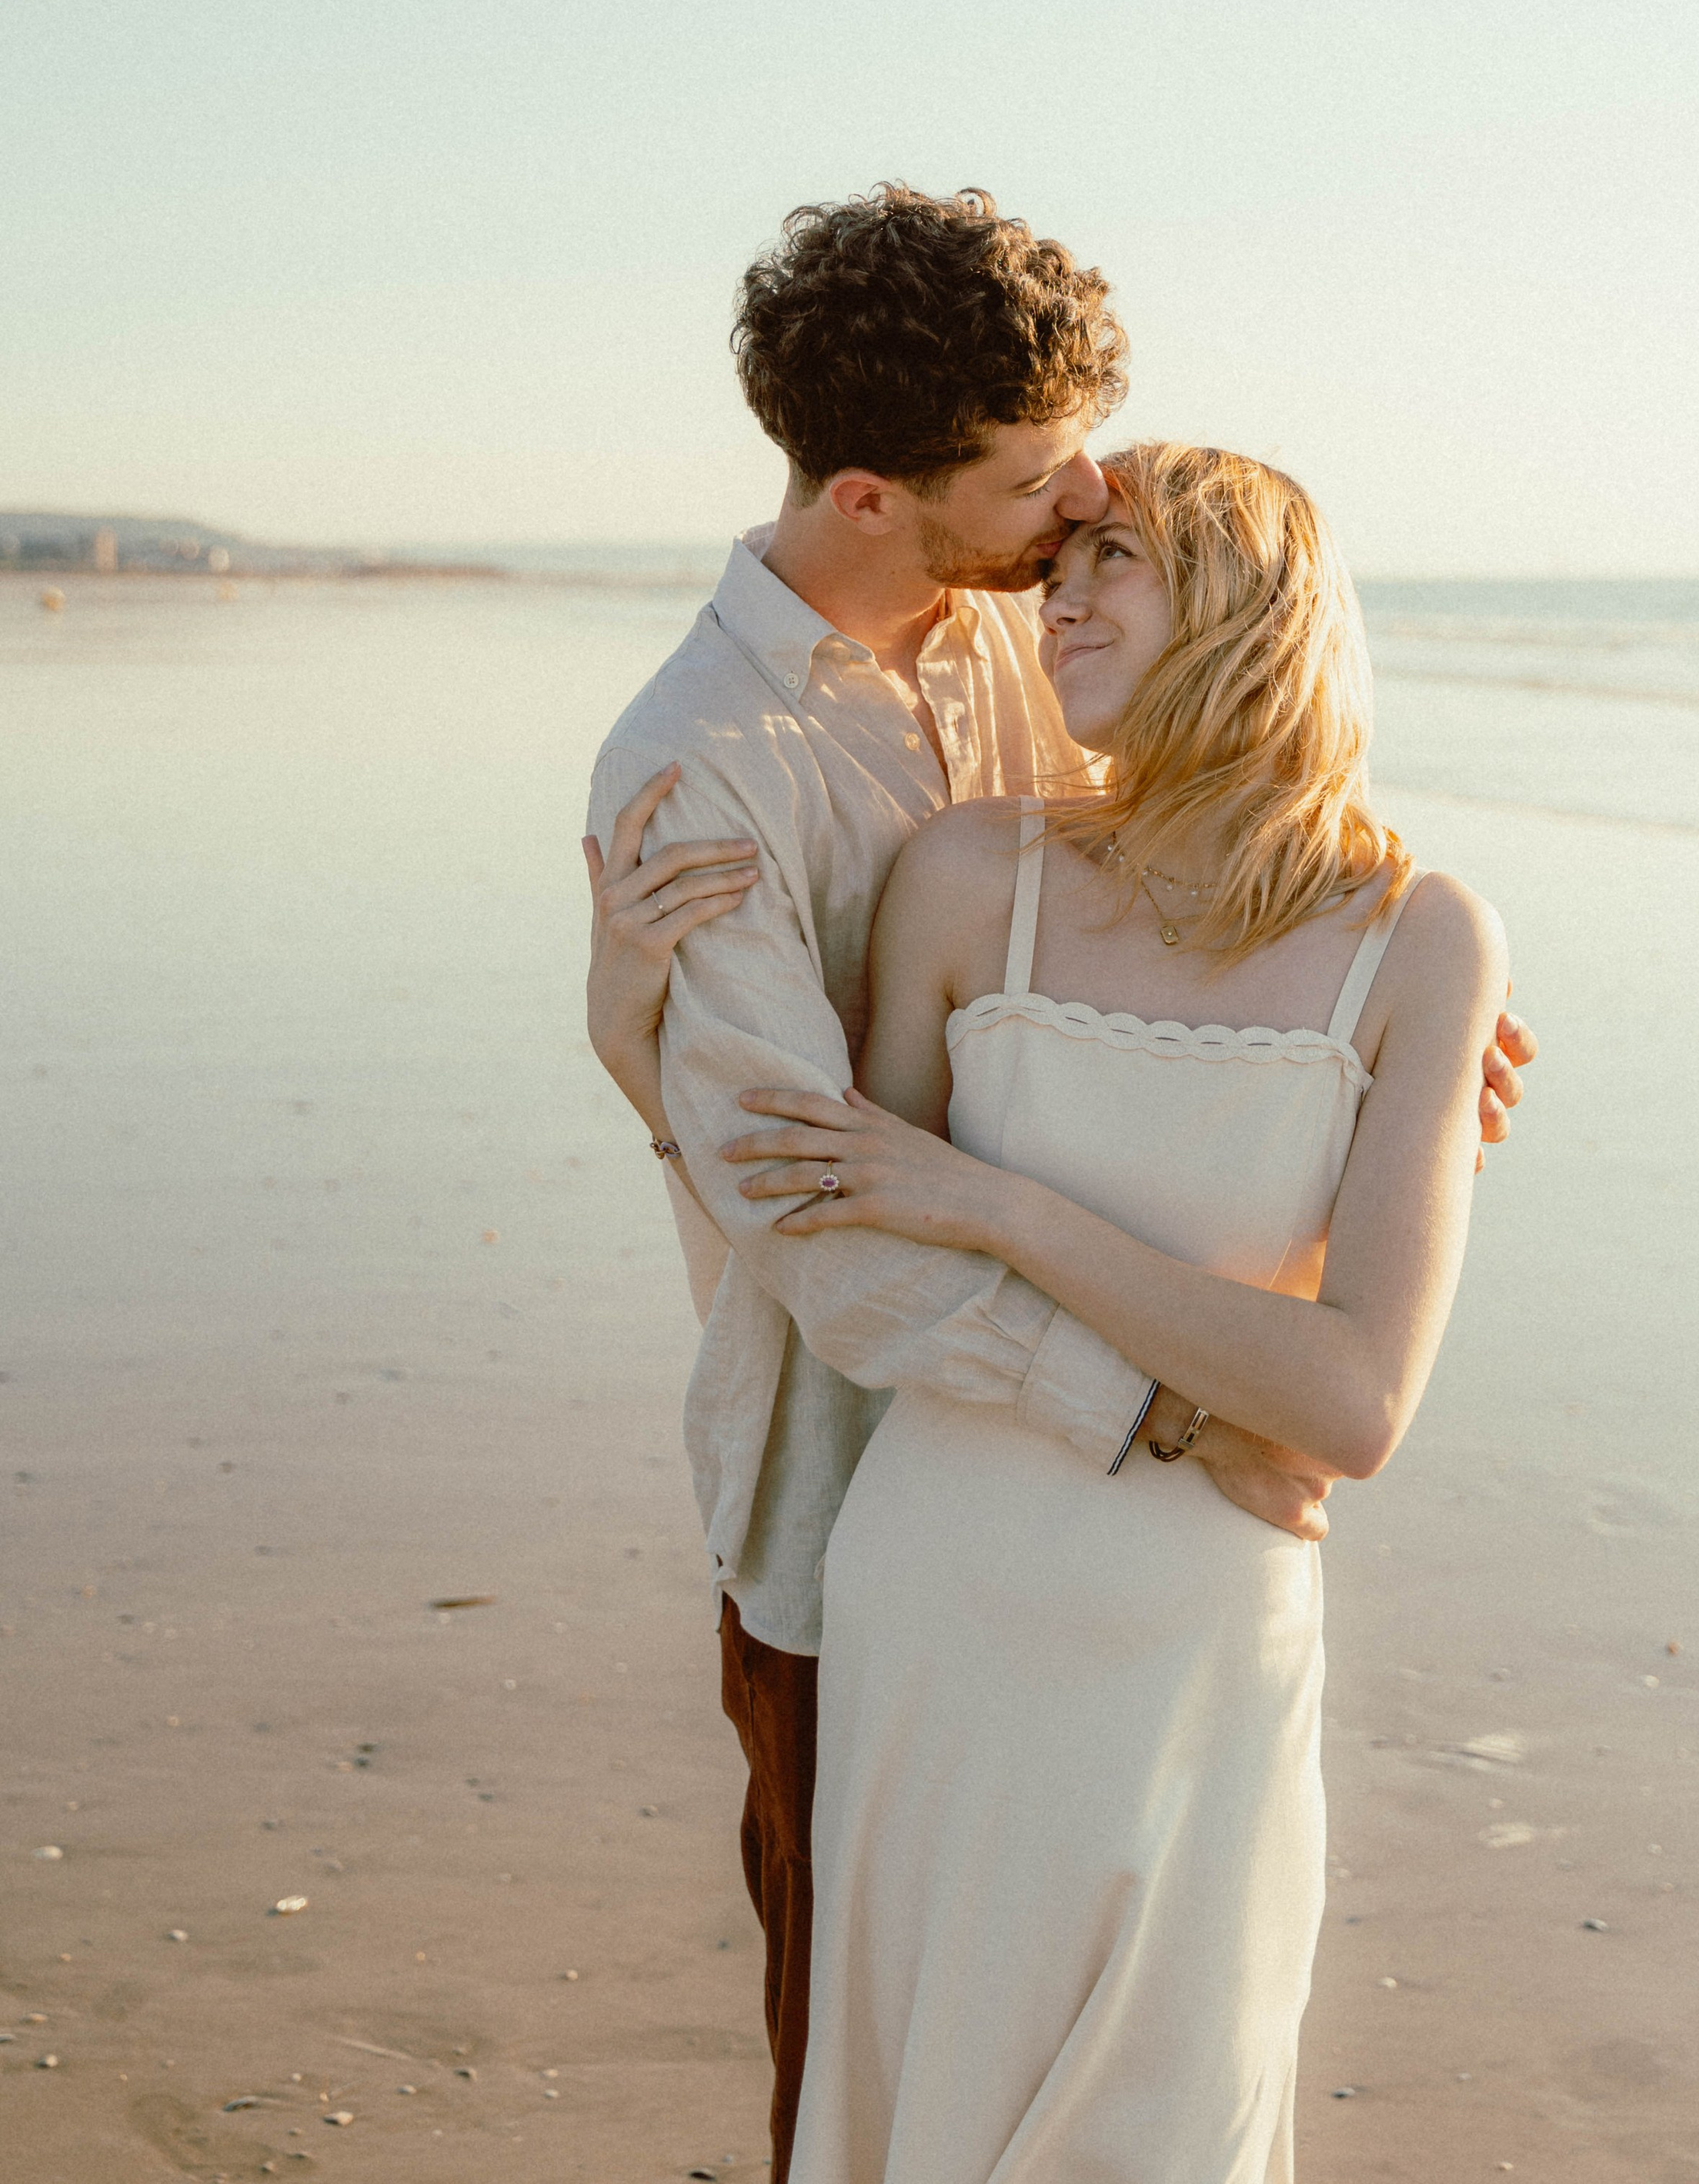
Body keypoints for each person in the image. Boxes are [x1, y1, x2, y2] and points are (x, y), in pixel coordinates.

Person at [583, 185, 1535, 2179]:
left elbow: (1210, 822)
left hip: (1174, 1584)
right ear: (869, 494)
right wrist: (1179, 1411)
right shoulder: (706, 769)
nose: (1079, 517)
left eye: (1109, 516)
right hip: (860, 1502)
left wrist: (1384, 1045)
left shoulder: (1018, 648)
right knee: (873, 2078)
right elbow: (828, 1227)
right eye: (1044, 491)